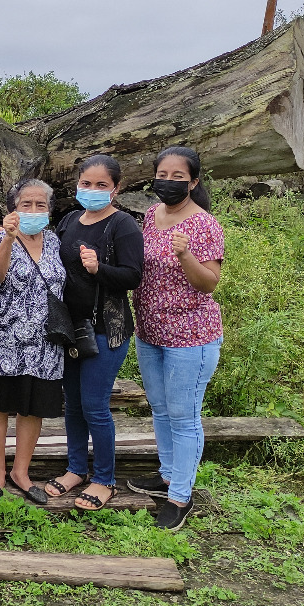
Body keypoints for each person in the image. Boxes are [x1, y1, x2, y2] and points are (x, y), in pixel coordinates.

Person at [128, 146, 224, 531]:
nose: (168, 183)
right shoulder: (153, 214)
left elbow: (210, 283)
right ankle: (167, 474)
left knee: (185, 417)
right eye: (162, 175)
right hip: (149, 331)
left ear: (194, 181)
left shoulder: (204, 225)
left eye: (177, 177)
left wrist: (186, 256)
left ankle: (180, 495)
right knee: (160, 408)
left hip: (191, 336)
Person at [43, 155, 144, 511]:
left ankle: (104, 478)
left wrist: (99, 268)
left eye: (102, 185)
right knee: (72, 404)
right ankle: (75, 469)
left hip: (106, 329)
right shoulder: (70, 220)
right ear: (77, 184)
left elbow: (133, 277)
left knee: (95, 406)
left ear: (116, 188)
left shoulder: (123, 225)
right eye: (87, 183)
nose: (92, 190)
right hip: (69, 328)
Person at [0, 178, 65, 506]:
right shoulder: (0, 237)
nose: (33, 210)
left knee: (32, 409)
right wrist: (9, 240)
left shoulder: (55, 242)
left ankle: (21, 473)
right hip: (2, 341)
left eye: (41, 205)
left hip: (44, 345)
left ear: (49, 210)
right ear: (13, 209)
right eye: (26, 204)